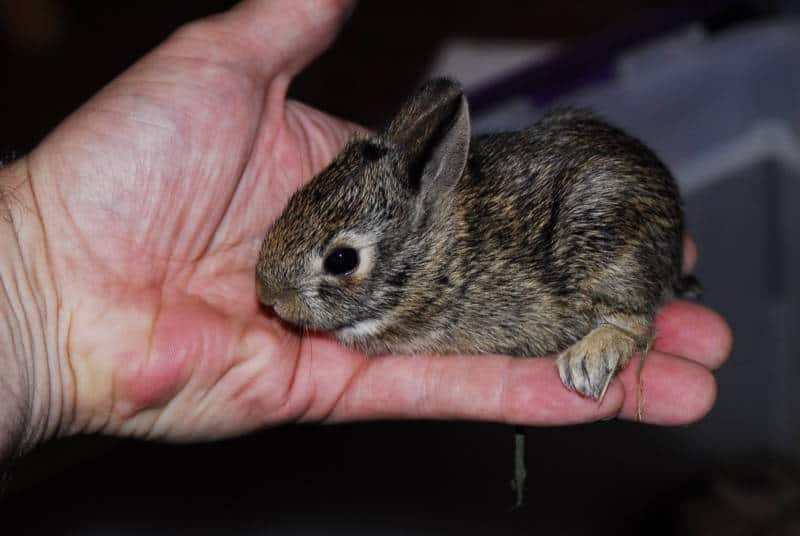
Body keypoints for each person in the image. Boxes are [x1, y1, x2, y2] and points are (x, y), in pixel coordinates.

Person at [0, 0, 732, 466]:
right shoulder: (395, 271)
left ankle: (625, 321)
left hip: (590, 200)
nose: (277, 295)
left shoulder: (445, 260)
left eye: (342, 262)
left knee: (600, 199)